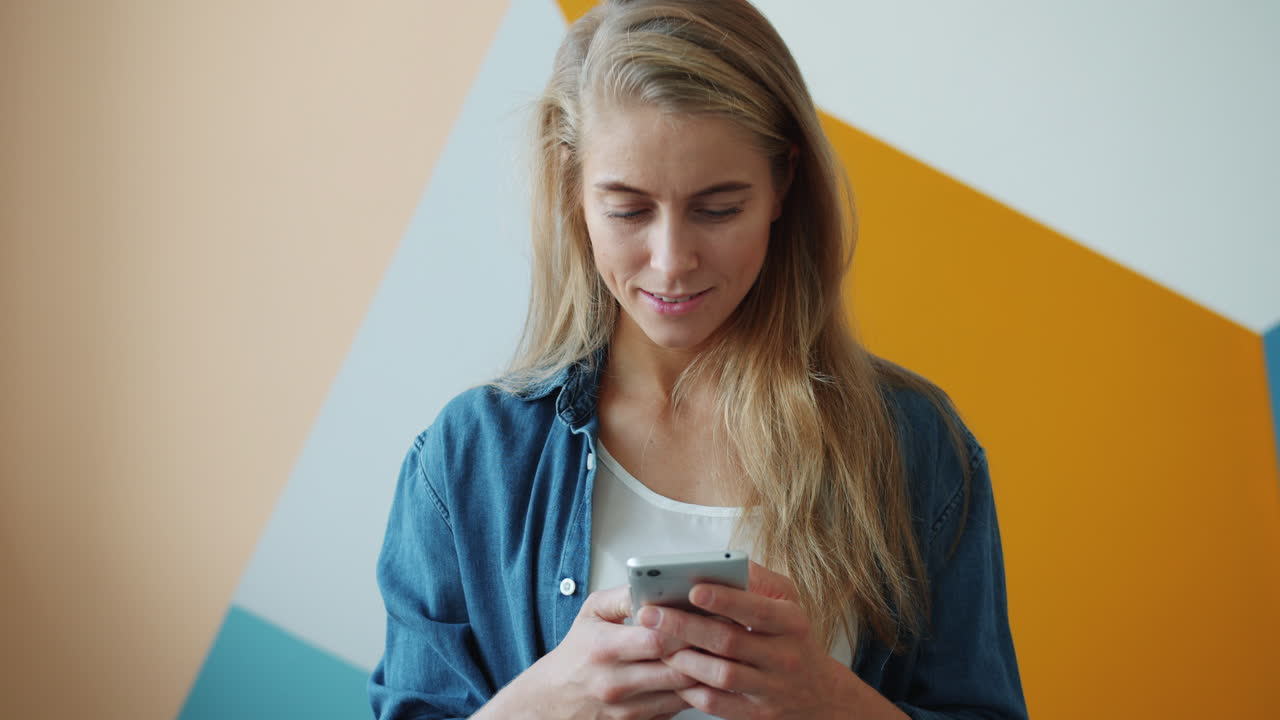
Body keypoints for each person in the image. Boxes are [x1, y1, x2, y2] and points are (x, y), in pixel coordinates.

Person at [368, 1, 1027, 718]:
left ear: (783, 186)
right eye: (627, 209)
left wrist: (826, 701)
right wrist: (556, 701)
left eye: (718, 209)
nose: (672, 261)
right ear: (572, 191)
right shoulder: (472, 460)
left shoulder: (915, 449)